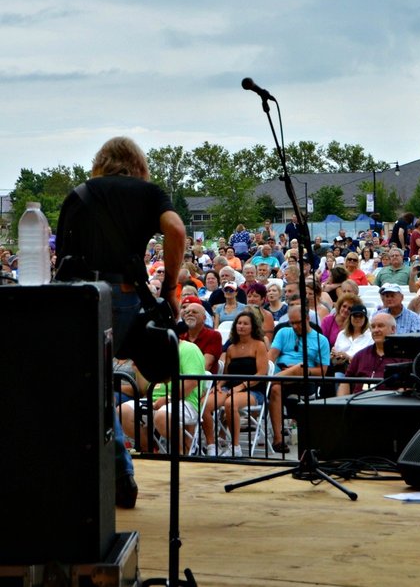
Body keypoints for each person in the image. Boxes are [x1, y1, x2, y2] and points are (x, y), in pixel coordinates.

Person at [55, 135, 187, 509]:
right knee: (100, 388)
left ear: (101, 162)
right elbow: (176, 230)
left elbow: (61, 264)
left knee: (85, 392)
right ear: (138, 164)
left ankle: (116, 472)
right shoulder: (148, 194)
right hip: (128, 300)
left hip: (83, 302)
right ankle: (117, 474)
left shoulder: (80, 194)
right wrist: (172, 287)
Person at [202, 309, 268, 457]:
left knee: (230, 404)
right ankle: (211, 444)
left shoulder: (259, 345)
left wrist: (241, 386)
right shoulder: (231, 348)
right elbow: (227, 373)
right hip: (230, 387)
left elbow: (261, 373)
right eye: (239, 323)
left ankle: (235, 446)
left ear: (253, 327)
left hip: (253, 389)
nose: (241, 326)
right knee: (205, 404)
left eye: (245, 324)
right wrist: (218, 385)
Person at [267, 304, 330, 452]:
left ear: (307, 318)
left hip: (305, 379)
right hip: (281, 376)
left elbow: (323, 371)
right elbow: (271, 357)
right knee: (275, 388)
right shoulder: (283, 333)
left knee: (299, 368)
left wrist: (303, 370)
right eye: (292, 322)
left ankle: (268, 382)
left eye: (298, 322)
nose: (295, 326)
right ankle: (278, 438)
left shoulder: (321, 340)